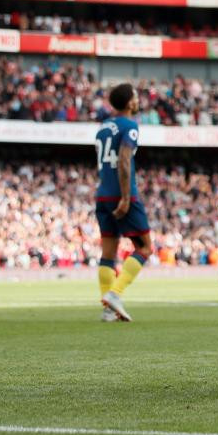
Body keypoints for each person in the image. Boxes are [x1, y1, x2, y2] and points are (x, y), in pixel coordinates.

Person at [95, 83, 152, 323]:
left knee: (108, 253)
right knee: (145, 248)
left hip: (102, 194)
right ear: (129, 102)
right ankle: (115, 294)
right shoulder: (130, 126)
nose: (138, 99)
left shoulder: (102, 128)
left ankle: (108, 310)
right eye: (136, 96)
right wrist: (127, 197)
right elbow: (125, 161)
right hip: (121, 194)